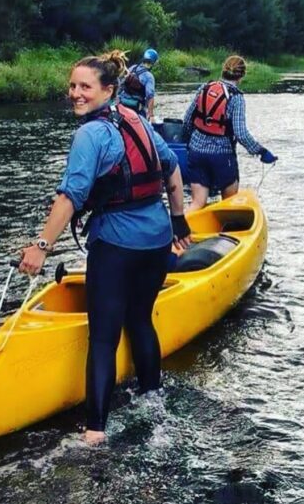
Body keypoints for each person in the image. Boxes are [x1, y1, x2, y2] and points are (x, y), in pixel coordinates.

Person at [18, 50, 191, 445]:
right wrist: (178, 218)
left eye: (85, 87)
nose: (76, 94)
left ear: (108, 90)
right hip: (157, 239)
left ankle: (95, 431)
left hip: (117, 244)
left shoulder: (90, 134)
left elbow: (70, 197)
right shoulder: (138, 120)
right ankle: (152, 401)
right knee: (141, 320)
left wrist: (41, 247)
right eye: (73, 86)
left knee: (103, 337)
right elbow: (172, 169)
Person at [182, 55, 277, 211]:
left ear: (223, 70)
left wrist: (190, 142)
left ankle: (181, 233)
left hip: (196, 152)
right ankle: (226, 234)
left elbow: (187, 120)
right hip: (222, 155)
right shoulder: (236, 97)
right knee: (229, 204)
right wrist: (260, 151)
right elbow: (240, 133)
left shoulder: (204, 88)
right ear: (241, 76)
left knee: (197, 203)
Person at [117, 48, 159, 121]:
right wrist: (151, 115)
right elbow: (150, 96)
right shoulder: (149, 76)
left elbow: (121, 85)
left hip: (121, 104)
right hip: (136, 108)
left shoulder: (133, 68)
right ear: (153, 62)